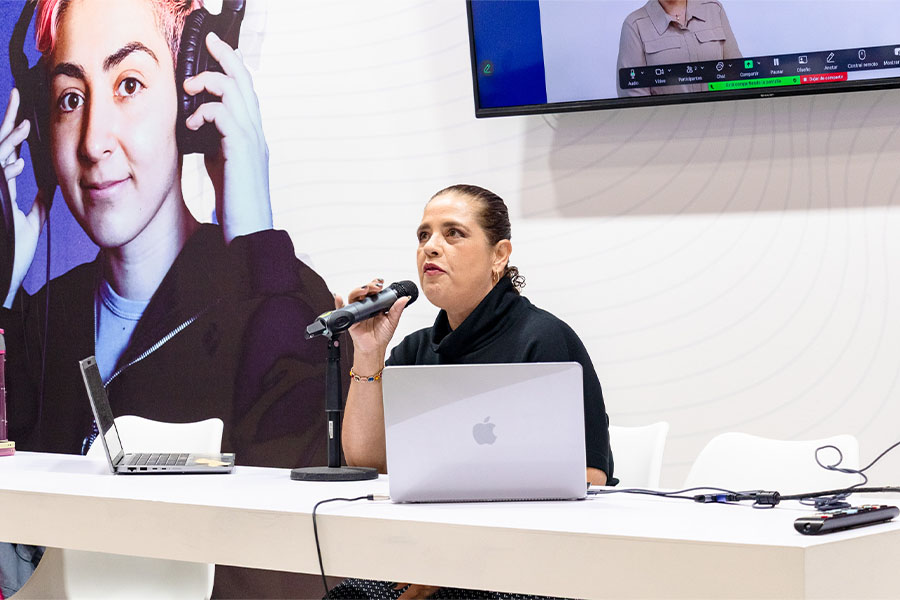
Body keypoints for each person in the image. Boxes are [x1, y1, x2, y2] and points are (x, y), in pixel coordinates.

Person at [0, 0, 341, 597]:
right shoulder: (41, 320)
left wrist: (255, 239)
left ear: (192, 104)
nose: (93, 142)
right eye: (70, 98)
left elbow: (297, 554)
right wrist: (1, 285)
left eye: (129, 84)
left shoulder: (282, 302)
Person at [332, 184, 614, 600]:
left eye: (453, 233)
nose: (430, 247)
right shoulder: (416, 350)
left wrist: (455, 563)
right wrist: (369, 350)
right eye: (423, 235)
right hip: (430, 553)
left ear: (499, 255)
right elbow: (367, 461)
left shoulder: (543, 340)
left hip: (526, 565)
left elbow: (590, 476)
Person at [617, 0, 742, 97]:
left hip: (719, 118)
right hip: (668, 121)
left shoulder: (714, 9)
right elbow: (633, 96)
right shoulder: (635, 25)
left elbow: (738, 75)